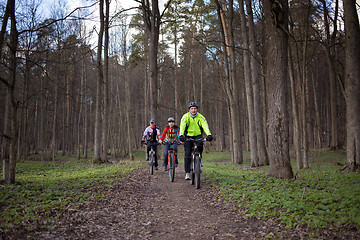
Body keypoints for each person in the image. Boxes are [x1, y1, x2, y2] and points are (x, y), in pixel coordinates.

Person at [179, 102, 213, 180]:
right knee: (187, 153)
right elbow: (182, 126)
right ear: (189, 110)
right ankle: (187, 172)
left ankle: (199, 158)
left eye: (195, 108)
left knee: (200, 145)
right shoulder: (185, 117)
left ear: (197, 109)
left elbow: (205, 126)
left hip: (198, 135)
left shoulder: (201, 117)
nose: (193, 110)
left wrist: (209, 134)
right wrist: (181, 136)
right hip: (188, 136)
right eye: (192, 109)